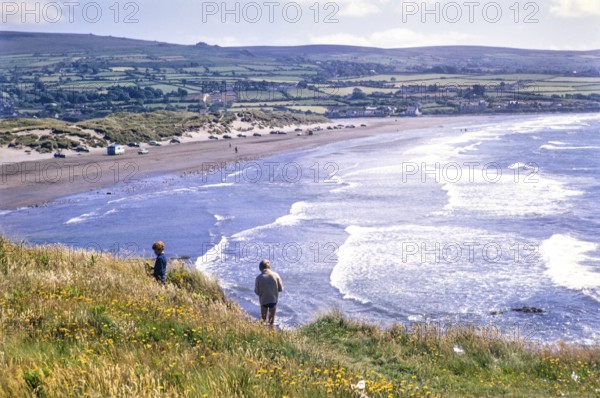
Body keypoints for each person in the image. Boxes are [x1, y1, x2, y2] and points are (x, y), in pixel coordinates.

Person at [254, 259, 283, 326]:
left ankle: (263, 333)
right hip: (273, 300)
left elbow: (257, 292)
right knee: (271, 322)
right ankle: (271, 332)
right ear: (269, 267)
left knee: (263, 321)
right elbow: (280, 288)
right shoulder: (276, 275)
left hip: (263, 301)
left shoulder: (258, 278)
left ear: (260, 268)